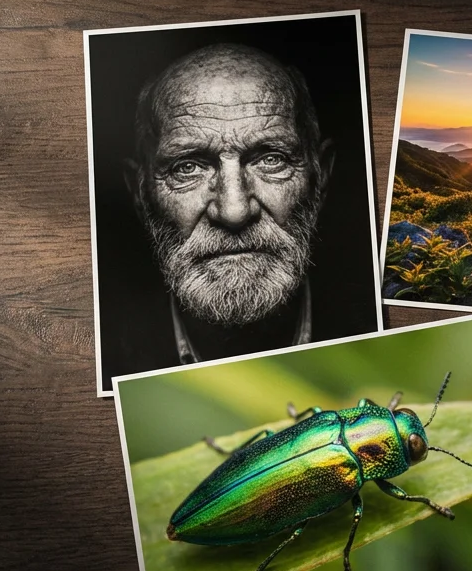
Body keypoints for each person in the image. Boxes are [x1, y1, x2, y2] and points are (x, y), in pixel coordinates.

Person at [99, 42, 376, 391]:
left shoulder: (377, 332)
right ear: (140, 194)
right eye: (188, 167)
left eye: (271, 159)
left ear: (321, 177)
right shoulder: (106, 358)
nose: (234, 211)